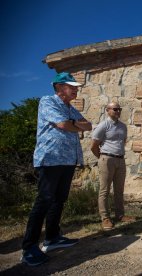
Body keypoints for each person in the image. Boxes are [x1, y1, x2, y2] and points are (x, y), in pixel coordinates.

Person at [21, 72, 92, 266]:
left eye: (76, 87)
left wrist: (72, 124)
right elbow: (62, 124)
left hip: (68, 160)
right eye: (72, 86)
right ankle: (29, 248)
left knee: (59, 200)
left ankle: (52, 238)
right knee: (44, 200)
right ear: (60, 88)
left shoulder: (69, 107)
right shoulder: (48, 101)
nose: (76, 89)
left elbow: (89, 125)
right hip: (50, 158)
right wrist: (71, 124)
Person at [91, 102, 135, 230]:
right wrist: (102, 157)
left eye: (119, 109)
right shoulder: (103, 125)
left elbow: (122, 142)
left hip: (120, 160)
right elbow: (94, 145)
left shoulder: (123, 126)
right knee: (104, 190)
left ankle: (120, 215)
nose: (118, 111)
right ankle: (105, 218)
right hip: (107, 159)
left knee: (119, 190)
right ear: (107, 110)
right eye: (115, 109)